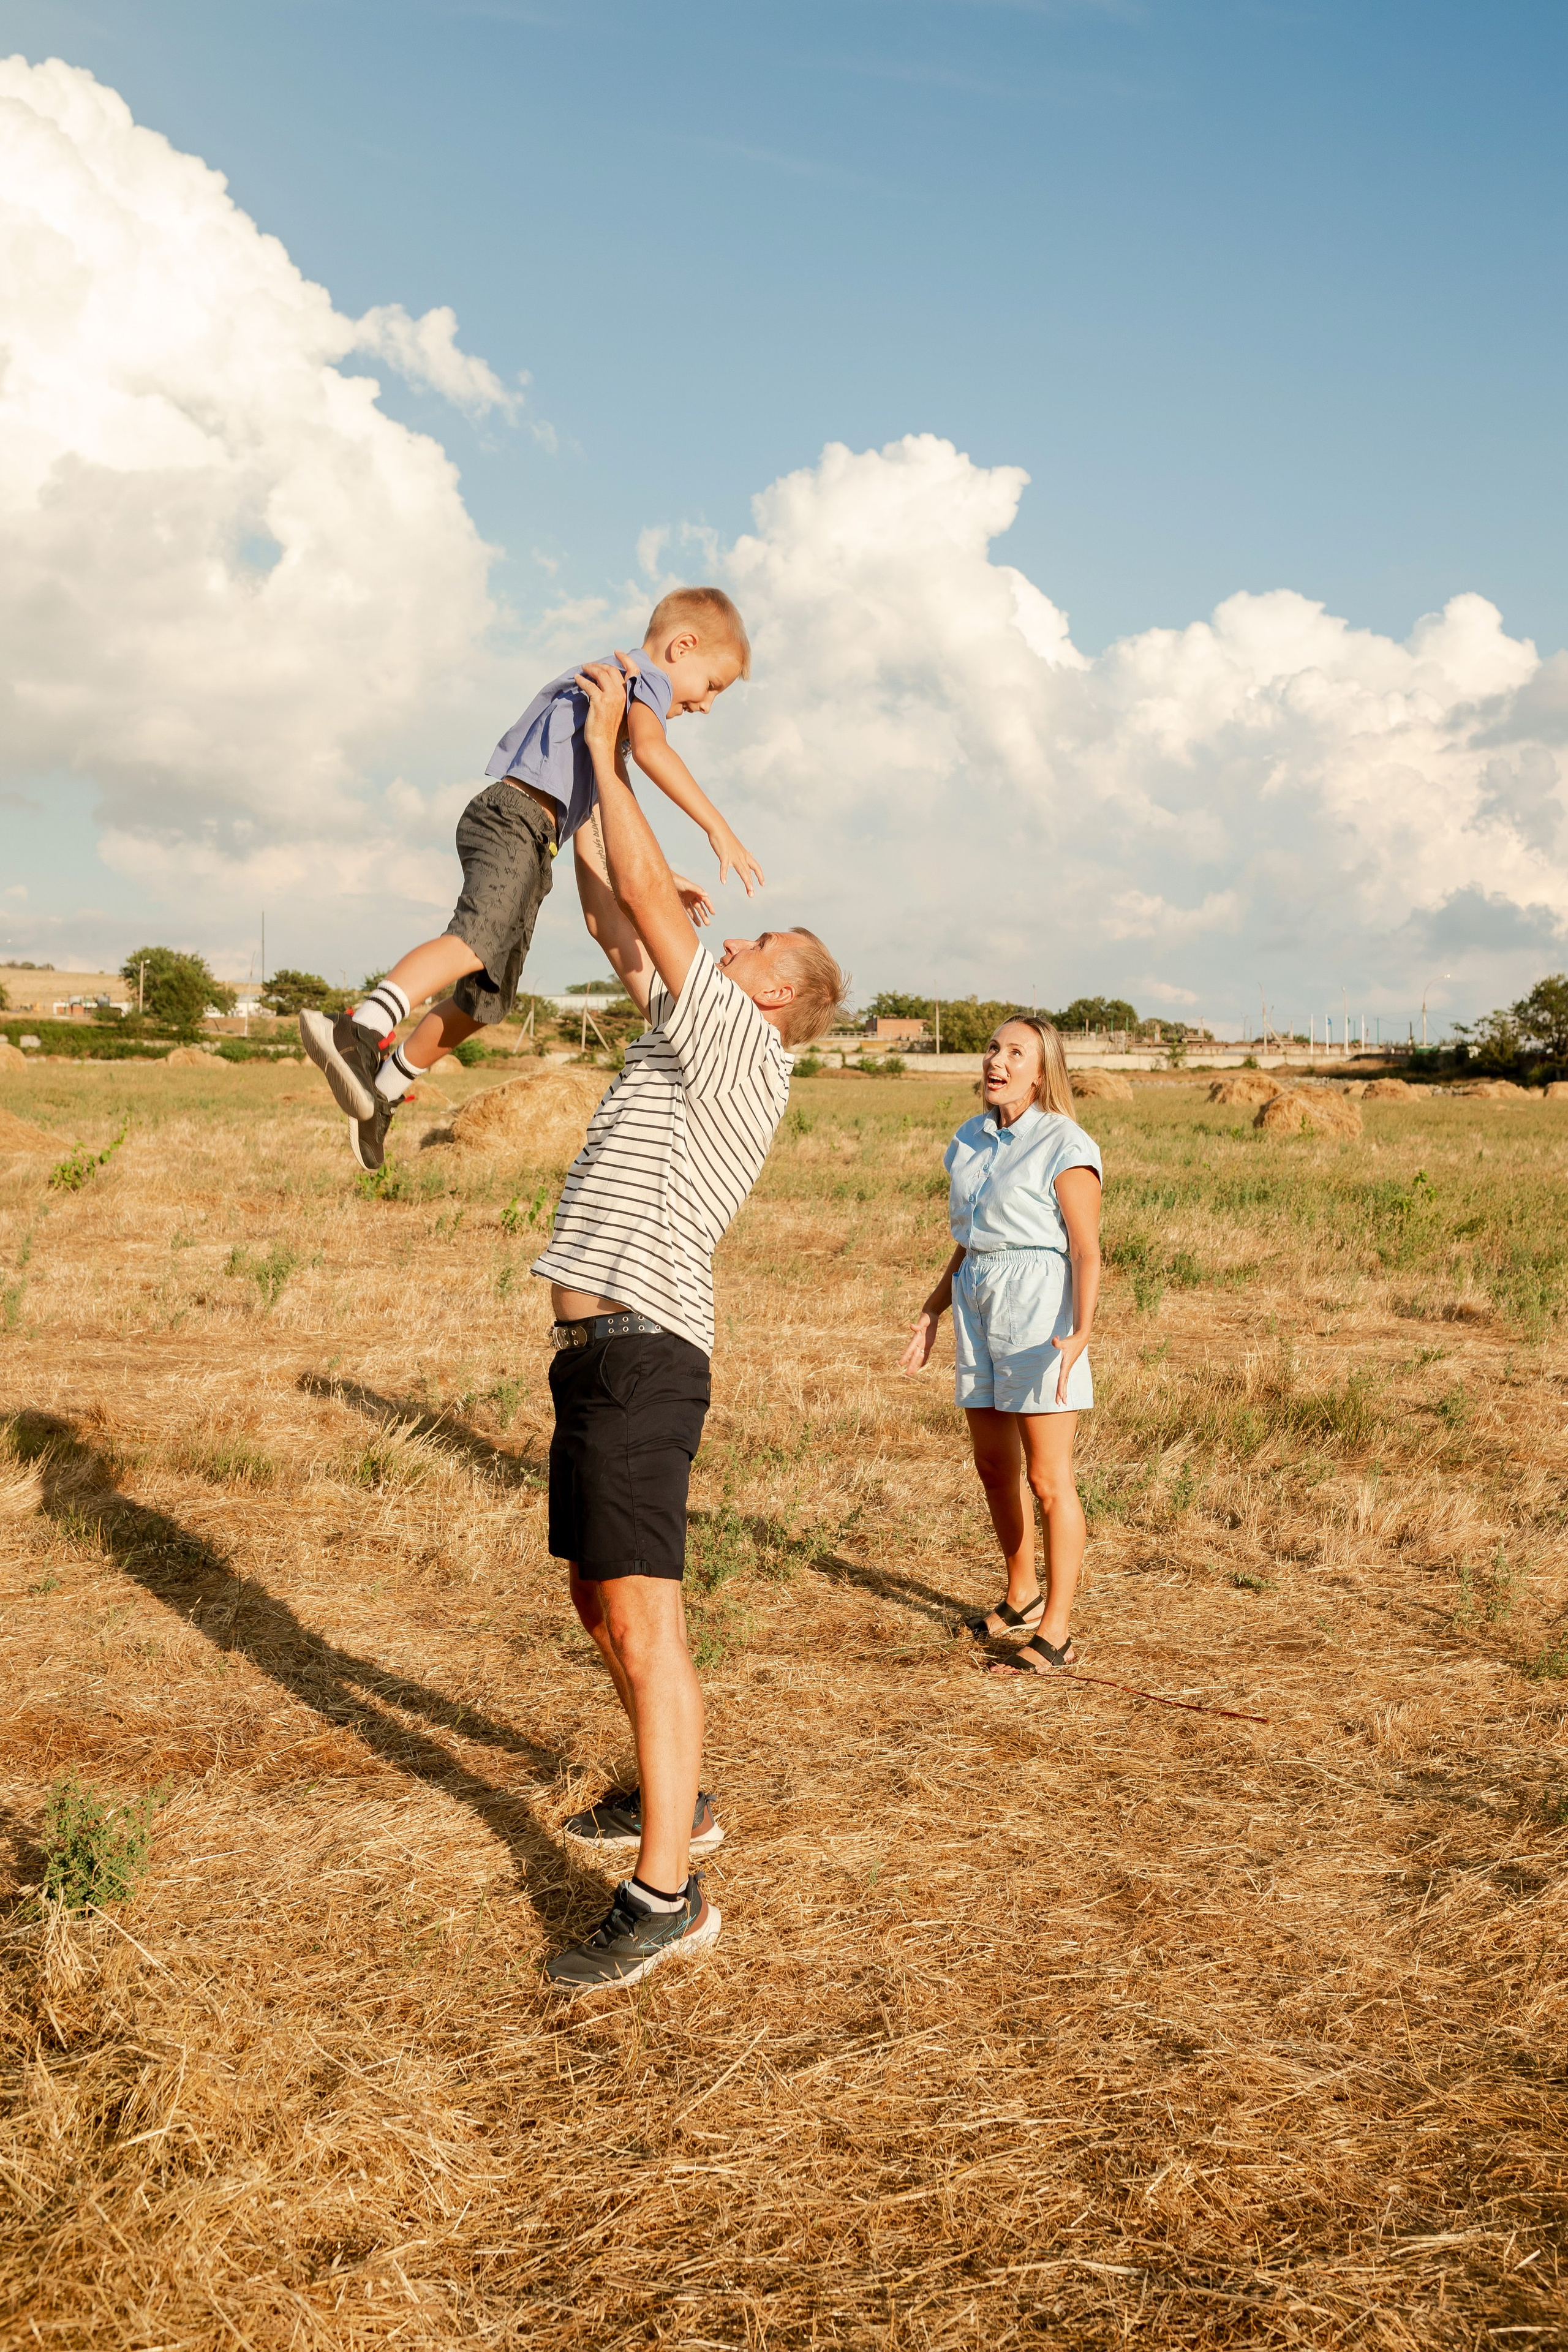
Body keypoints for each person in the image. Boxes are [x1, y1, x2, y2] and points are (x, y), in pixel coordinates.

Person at [536, 655, 846, 1993]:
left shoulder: (738, 1044)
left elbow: (652, 900)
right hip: (598, 1356)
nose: (733, 943)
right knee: (598, 1602)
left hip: (644, 1355)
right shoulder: (691, 1031)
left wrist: (615, 748)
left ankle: (666, 1894)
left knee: (647, 1622)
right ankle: (680, 1801)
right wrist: (579, 783)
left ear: (774, 996)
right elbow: (620, 916)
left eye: (756, 949)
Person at [297, 587, 764, 1171]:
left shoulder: (609, 720)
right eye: (713, 685)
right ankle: (362, 1027)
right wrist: (719, 828)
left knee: (486, 999)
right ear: (682, 646)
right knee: (477, 939)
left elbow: (603, 827)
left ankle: (384, 1091)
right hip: (512, 818)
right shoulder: (638, 678)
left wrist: (663, 878)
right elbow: (652, 751)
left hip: (539, 839)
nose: (708, 705)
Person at [901, 1017, 1102, 1677]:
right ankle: (1021, 1595)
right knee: (993, 1466)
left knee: (1048, 1478)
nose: (998, 1060)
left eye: (1017, 1053)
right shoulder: (968, 1139)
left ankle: (1057, 1632)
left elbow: (1086, 1248)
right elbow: (969, 1241)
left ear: (1041, 1073)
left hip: (1040, 1308)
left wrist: (1082, 1330)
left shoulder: (1064, 1142)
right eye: (994, 1048)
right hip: (977, 1299)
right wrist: (933, 1309)